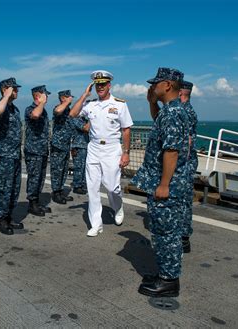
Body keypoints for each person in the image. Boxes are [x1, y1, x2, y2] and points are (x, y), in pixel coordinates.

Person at [130, 67, 190, 297]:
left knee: (166, 233)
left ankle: (169, 281)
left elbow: (171, 151)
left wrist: (164, 184)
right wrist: (151, 102)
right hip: (164, 181)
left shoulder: (173, 113)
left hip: (167, 185)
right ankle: (165, 273)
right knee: (163, 231)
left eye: (155, 84)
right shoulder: (170, 110)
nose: (152, 88)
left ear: (167, 85)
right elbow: (160, 124)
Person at [70, 70, 133, 237]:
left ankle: (117, 207)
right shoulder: (90, 105)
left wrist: (126, 153)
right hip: (94, 148)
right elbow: (72, 113)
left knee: (112, 187)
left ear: (109, 85)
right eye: (98, 85)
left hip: (112, 149)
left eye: (103, 84)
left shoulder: (120, 104)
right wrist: (84, 95)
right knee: (92, 187)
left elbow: (126, 130)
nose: (100, 87)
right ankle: (96, 224)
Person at [0, 77, 25, 235]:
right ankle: (0, 218)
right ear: (5, 89)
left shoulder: (15, 109)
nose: (17, 91)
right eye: (14, 89)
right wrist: (5, 95)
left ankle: (9, 215)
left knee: (13, 188)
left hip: (14, 155)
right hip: (2, 156)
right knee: (3, 188)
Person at [24, 85, 52, 217]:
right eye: (44, 95)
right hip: (33, 150)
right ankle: (32, 203)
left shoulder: (44, 111)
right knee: (34, 177)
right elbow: (35, 115)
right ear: (37, 96)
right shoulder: (30, 109)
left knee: (40, 178)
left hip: (42, 150)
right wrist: (41, 104)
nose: (47, 97)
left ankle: (37, 201)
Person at [179, 80, 198, 253]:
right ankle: (183, 236)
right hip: (186, 163)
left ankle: (184, 239)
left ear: (181, 93)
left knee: (184, 201)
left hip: (184, 164)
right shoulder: (187, 110)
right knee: (183, 201)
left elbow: (188, 142)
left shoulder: (185, 112)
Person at [50, 90, 75, 204]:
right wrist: (65, 102)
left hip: (65, 145)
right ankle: (56, 193)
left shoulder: (68, 110)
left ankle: (60, 192)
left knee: (64, 170)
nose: (71, 99)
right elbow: (58, 111)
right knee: (57, 170)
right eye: (69, 97)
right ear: (63, 98)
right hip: (58, 145)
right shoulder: (58, 108)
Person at [70, 116, 90, 194]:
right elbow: (85, 128)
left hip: (85, 146)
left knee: (85, 167)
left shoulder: (85, 120)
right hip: (78, 146)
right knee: (79, 168)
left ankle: (83, 184)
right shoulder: (76, 119)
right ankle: (77, 186)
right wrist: (92, 118)